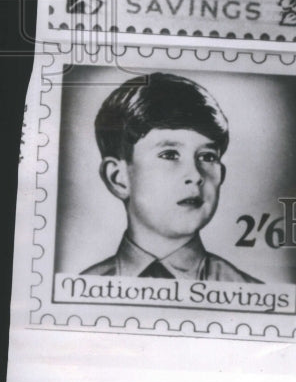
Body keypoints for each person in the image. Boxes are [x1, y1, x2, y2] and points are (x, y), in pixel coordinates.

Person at [82, 72, 260, 282]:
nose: (195, 175)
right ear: (118, 178)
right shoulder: (78, 288)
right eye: (169, 155)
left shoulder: (250, 292)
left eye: (207, 156)